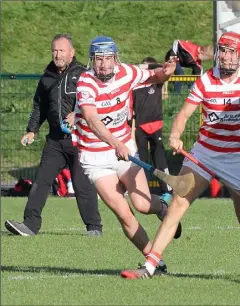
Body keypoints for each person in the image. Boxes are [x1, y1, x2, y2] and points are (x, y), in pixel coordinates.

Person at [120, 31, 240, 280]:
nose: (225, 57)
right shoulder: (206, 80)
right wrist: (175, 134)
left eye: (231, 52)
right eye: (222, 50)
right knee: (177, 205)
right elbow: (183, 115)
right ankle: (150, 266)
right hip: (205, 155)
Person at [72, 36, 181, 272]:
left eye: (107, 58)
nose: (103, 64)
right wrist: (114, 142)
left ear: (115, 58)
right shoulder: (85, 82)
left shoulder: (127, 73)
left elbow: (155, 76)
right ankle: (155, 260)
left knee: (141, 204)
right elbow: (91, 118)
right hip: (95, 158)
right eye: (98, 59)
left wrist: (167, 72)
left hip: (123, 149)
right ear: (92, 60)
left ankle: (163, 208)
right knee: (124, 214)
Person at [5, 34, 102, 236]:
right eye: (54, 50)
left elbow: (95, 103)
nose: (57, 54)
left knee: (82, 185)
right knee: (41, 181)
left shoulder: (84, 75)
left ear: (72, 53)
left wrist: (76, 115)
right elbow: (39, 106)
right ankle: (30, 225)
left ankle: (94, 227)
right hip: (55, 141)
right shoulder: (47, 76)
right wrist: (32, 130)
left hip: (79, 139)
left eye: (61, 50)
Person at [130, 57, 172, 200]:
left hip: (155, 125)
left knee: (159, 159)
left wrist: (148, 67)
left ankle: (167, 190)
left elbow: (161, 67)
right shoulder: (135, 84)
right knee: (139, 161)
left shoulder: (156, 81)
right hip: (140, 126)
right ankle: (140, 191)